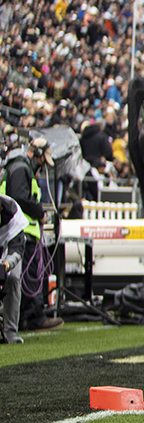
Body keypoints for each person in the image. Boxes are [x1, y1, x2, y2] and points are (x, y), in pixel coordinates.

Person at [1, 136, 59, 333]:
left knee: (24, 278)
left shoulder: (20, 166)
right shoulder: (21, 168)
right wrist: (39, 212)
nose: (43, 165)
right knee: (27, 278)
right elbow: (18, 197)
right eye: (43, 160)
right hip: (20, 231)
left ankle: (25, 318)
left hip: (19, 230)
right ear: (38, 154)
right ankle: (34, 318)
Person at [1, 192, 28, 344]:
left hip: (9, 251)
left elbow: (17, 248)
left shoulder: (14, 214)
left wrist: (7, 264)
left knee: (12, 278)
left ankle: (11, 331)